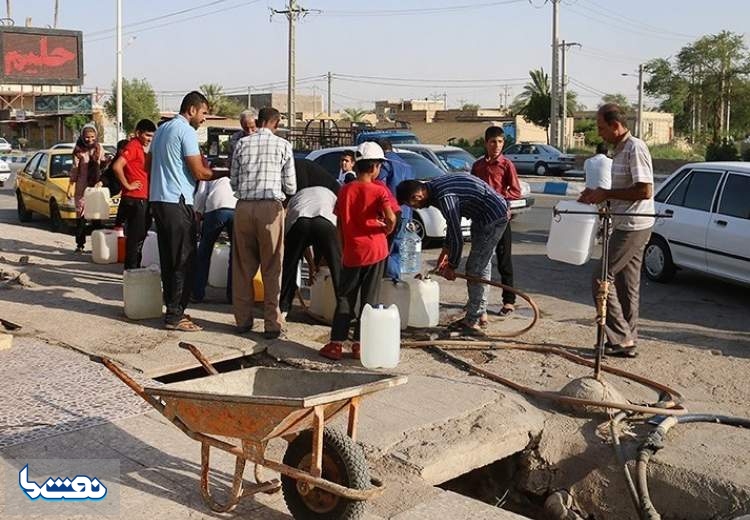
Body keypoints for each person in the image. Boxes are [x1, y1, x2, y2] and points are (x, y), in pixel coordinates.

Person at [578, 103, 655, 358]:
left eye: (602, 127)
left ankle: (620, 338)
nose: (600, 133)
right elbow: (625, 191)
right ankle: (627, 339)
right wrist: (597, 196)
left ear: (615, 126)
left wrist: (606, 193)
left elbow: (645, 191)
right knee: (626, 285)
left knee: (601, 278)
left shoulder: (635, 148)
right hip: (626, 222)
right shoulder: (620, 151)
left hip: (634, 224)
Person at [149, 91, 226, 332]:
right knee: (183, 260)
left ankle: (173, 310)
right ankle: (174, 315)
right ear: (191, 110)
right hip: (177, 201)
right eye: (203, 113)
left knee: (170, 259)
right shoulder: (186, 131)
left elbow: (147, 164)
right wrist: (227, 173)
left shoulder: (161, 130)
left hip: (159, 201)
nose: (204, 118)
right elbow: (200, 173)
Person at [397, 175, 508, 336]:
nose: (416, 208)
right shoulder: (434, 188)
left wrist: (452, 266)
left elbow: (457, 236)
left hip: (492, 217)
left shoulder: (444, 196)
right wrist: (445, 252)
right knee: (481, 264)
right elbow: (452, 224)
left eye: (412, 204)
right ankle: (479, 312)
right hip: (483, 216)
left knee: (475, 268)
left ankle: (473, 320)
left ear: (417, 196)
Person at [319, 142, 396, 361]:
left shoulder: (345, 190)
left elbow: (340, 224)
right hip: (376, 250)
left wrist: (342, 248)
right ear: (374, 167)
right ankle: (360, 345)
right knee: (369, 300)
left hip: (353, 252)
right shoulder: (380, 190)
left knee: (345, 298)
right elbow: (391, 218)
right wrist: (384, 228)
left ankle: (335, 344)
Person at [230, 107, 296, 339]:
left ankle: (242, 320)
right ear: (276, 123)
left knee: (242, 267)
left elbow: (234, 182)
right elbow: (291, 187)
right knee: (272, 267)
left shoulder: (241, 144)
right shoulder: (283, 145)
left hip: (244, 207)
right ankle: (272, 323)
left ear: (258, 122)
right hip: (270, 208)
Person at [470, 126, 521, 317]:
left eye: (500, 142)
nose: (497, 146)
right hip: (482, 219)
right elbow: (473, 189)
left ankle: (509, 301)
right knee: (481, 262)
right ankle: (478, 303)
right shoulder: (478, 166)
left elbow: (515, 191)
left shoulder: (506, 165)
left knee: (504, 260)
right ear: (486, 143)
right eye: (493, 142)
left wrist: (498, 197)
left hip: (500, 219)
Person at [279, 186, 341, 317]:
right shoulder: (331, 194)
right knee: (337, 268)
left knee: (290, 265)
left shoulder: (297, 197)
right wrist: (314, 265)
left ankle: (283, 308)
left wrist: (313, 265)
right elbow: (329, 248)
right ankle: (342, 312)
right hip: (325, 223)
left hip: (300, 222)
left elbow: (302, 245)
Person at [111, 120, 156, 269]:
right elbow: (117, 166)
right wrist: (127, 185)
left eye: (152, 136)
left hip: (139, 198)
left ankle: (133, 270)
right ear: (138, 133)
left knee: (137, 238)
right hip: (136, 198)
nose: (149, 139)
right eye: (147, 135)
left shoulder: (140, 148)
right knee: (135, 240)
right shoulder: (134, 147)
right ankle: (132, 272)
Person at [192, 165, 239, 303]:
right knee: (236, 255)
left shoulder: (209, 173)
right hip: (236, 209)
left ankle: (197, 294)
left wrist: (198, 214)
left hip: (215, 209)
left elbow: (200, 195)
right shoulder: (232, 172)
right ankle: (233, 296)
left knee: (204, 252)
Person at [377, 139, 414, 280]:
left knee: (385, 249)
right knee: (397, 249)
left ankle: (392, 278)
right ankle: (396, 280)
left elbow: (379, 182)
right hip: (405, 212)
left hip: (390, 212)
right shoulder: (406, 165)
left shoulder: (386, 163)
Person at [67, 124, 107, 253]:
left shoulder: (99, 148)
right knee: (81, 218)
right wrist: (70, 186)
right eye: (87, 137)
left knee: (96, 217)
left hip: (95, 187)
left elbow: (103, 165)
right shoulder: (78, 150)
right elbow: (74, 169)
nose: (90, 140)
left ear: (96, 136)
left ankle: (98, 247)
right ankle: (80, 245)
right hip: (81, 188)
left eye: (92, 137)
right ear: (82, 137)